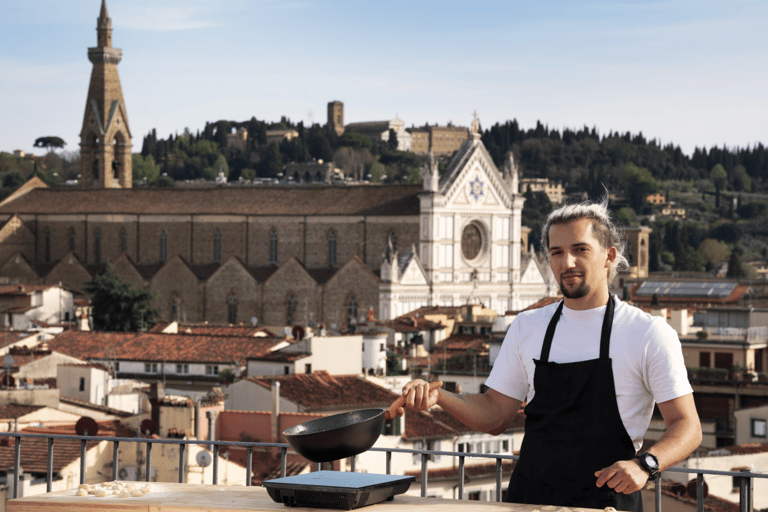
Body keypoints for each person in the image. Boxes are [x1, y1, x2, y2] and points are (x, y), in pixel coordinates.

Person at [395, 198, 702, 511]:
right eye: (557, 252)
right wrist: (440, 396)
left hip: (605, 503)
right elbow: (496, 413)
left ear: (608, 256)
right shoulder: (528, 326)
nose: (566, 262)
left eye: (580, 249)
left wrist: (644, 465)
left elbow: (687, 427)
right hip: (529, 501)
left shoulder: (647, 332)